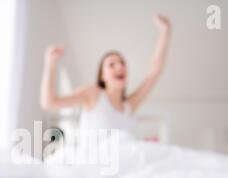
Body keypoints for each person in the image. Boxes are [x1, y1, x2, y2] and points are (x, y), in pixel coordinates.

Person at [40, 14, 172, 134]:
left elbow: (155, 72)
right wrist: (51, 63)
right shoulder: (93, 94)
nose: (120, 66)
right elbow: (50, 103)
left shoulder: (129, 106)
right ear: (102, 75)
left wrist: (165, 32)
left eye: (122, 63)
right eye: (112, 64)